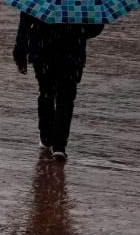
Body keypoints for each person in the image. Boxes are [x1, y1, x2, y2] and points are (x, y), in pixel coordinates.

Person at [14, 12, 102, 161]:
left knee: (46, 94)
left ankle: (46, 137)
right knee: (65, 100)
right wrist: (76, 31)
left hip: (43, 53)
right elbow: (96, 28)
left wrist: (20, 55)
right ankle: (59, 146)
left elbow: (24, 27)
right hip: (72, 55)